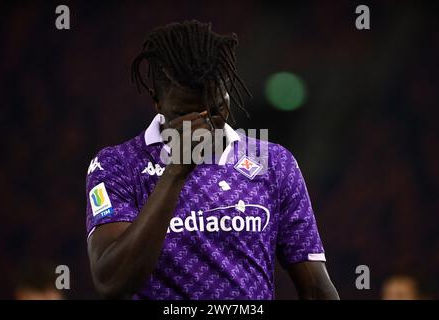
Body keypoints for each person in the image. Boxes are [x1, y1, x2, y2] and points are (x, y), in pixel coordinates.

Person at [85, 20, 339, 300]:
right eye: (185, 114)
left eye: (214, 111)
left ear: (227, 93)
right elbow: (111, 282)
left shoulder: (273, 162)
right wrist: (175, 173)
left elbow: (316, 288)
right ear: (156, 100)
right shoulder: (118, 165)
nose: (202, 127)